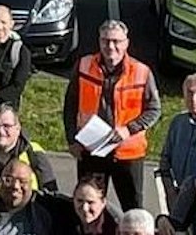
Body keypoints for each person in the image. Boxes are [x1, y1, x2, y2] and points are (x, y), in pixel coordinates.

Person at [63, 20, 160, 210]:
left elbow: (154, 109)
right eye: (106, 41)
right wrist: (71, 139)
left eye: (116, 41)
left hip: (128, 154)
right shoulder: (84, 66)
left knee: (133, 209)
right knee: (89, 205)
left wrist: (128, 129)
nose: (111, 47)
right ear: (99, 42)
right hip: (91, 149)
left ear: (126, 43)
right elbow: (70, 106)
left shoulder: (141, 72)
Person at [0, 104, 54, 206]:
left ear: (18, 128)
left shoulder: (34, 154)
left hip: (23, 219)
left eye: (6, 126)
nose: (0, 131)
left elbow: (50, 195)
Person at [156, 74, 196, 209]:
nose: (193, 99)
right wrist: (169, 190)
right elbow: (165, 159)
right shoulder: (178, 122)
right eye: (189, 93)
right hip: (177, 196)